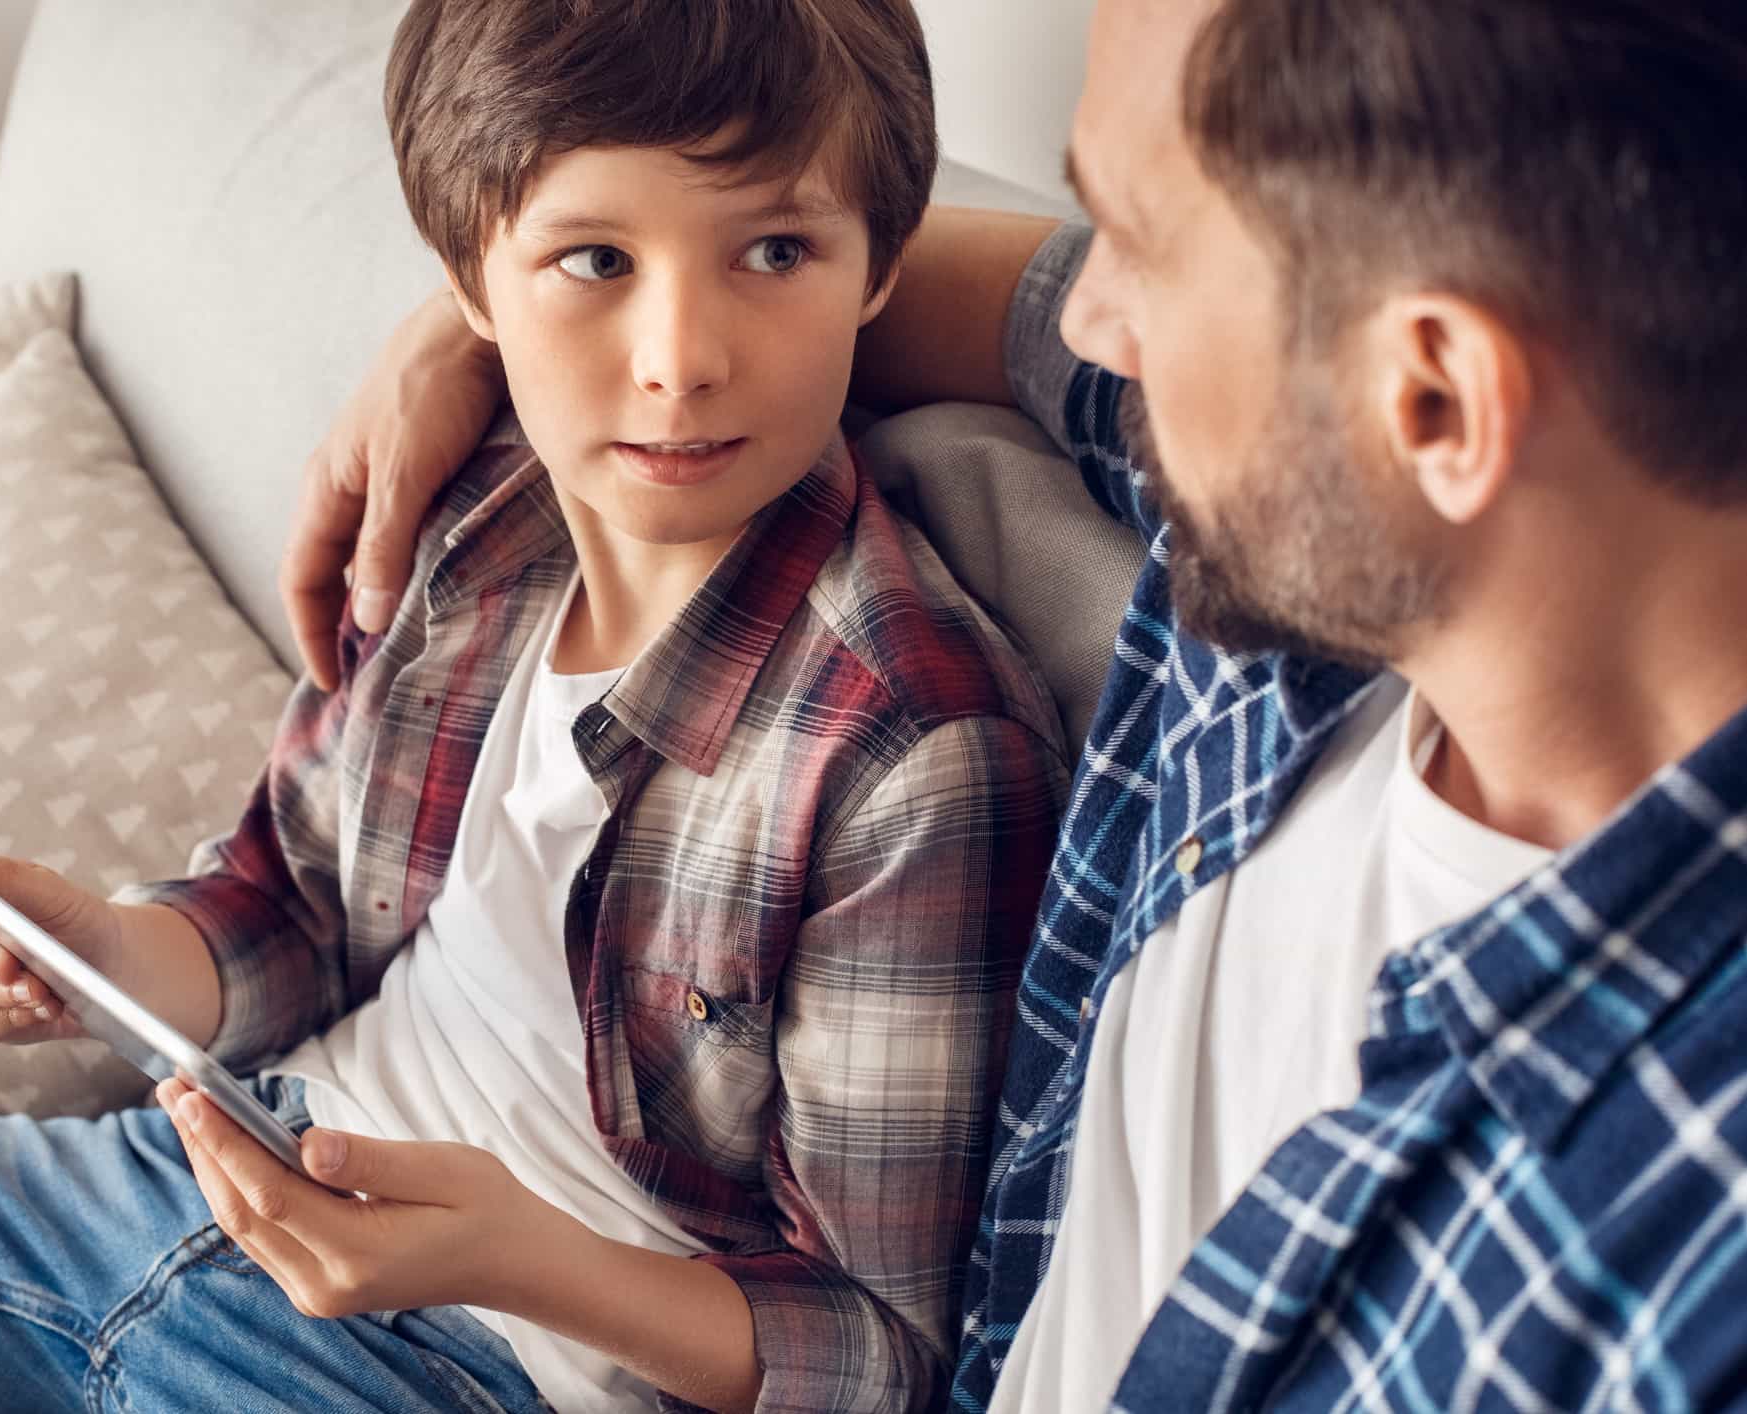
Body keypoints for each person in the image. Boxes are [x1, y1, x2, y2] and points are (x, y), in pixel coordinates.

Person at [285, 1, 1747, 1410]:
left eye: (1141, 250)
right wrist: (487, 315)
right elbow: (875, 277)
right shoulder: (1352, 546)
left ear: (1431, 400)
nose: (1087, 317)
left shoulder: (1673, 1277)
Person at [0, 2, 1064, 1411]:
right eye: (594, 259)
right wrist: (105, 952)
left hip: (458, 1359)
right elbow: (293, 907)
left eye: (772, 251)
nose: (679, 356)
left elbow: (882, 1353)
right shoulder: (477, 500)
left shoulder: (912, 754)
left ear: (879, 263)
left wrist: (521, 1258)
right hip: (179, 1173)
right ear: (467, 279)